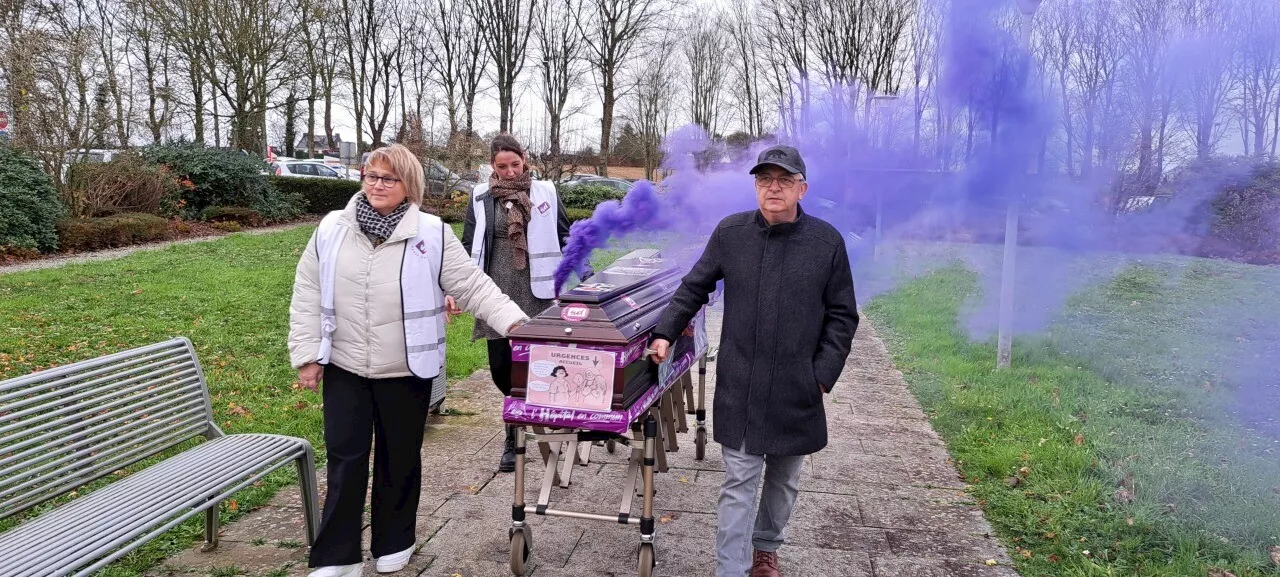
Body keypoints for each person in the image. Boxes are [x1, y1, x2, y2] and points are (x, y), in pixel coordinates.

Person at [288, 144, 530, 577]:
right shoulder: (331, 229)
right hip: (345, 366)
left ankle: (395, 541)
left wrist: (515, 323)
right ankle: (336, 556)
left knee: (399, 458)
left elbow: (474, 287)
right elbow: (306, 292)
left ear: (409, 185)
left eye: (389, 178)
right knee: (345, 460)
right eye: (371, 175)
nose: (377, 184)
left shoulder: (432, 233)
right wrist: (308, 355)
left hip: (406, 369)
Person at [648, 145, 859, 577]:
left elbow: (842, 315)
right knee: (739, 483)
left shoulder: (826, 243)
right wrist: (666, 330)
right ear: (756, 187)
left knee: (783, 482)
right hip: (741, 382)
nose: (773, 188)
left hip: (797, 387)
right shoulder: (731, 234)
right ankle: (732, 569)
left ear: (802, 188)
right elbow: (694, 287)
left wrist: (822, 375)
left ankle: (765, 549)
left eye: (783, 180)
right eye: (765, 180)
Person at [458, 133, 576, 472]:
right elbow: (468, 245)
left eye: (515, 164)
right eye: (501, 166)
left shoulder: (546, 193)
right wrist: (455, 287)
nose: (510, 172)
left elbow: (565, 235)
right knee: (501, 369)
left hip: (536, 291)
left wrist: (584, 270)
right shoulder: (481, 197)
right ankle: (520, 416)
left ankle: (515, 434)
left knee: (534, 362)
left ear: (524, 159)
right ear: (492, 166)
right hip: (495, 292)